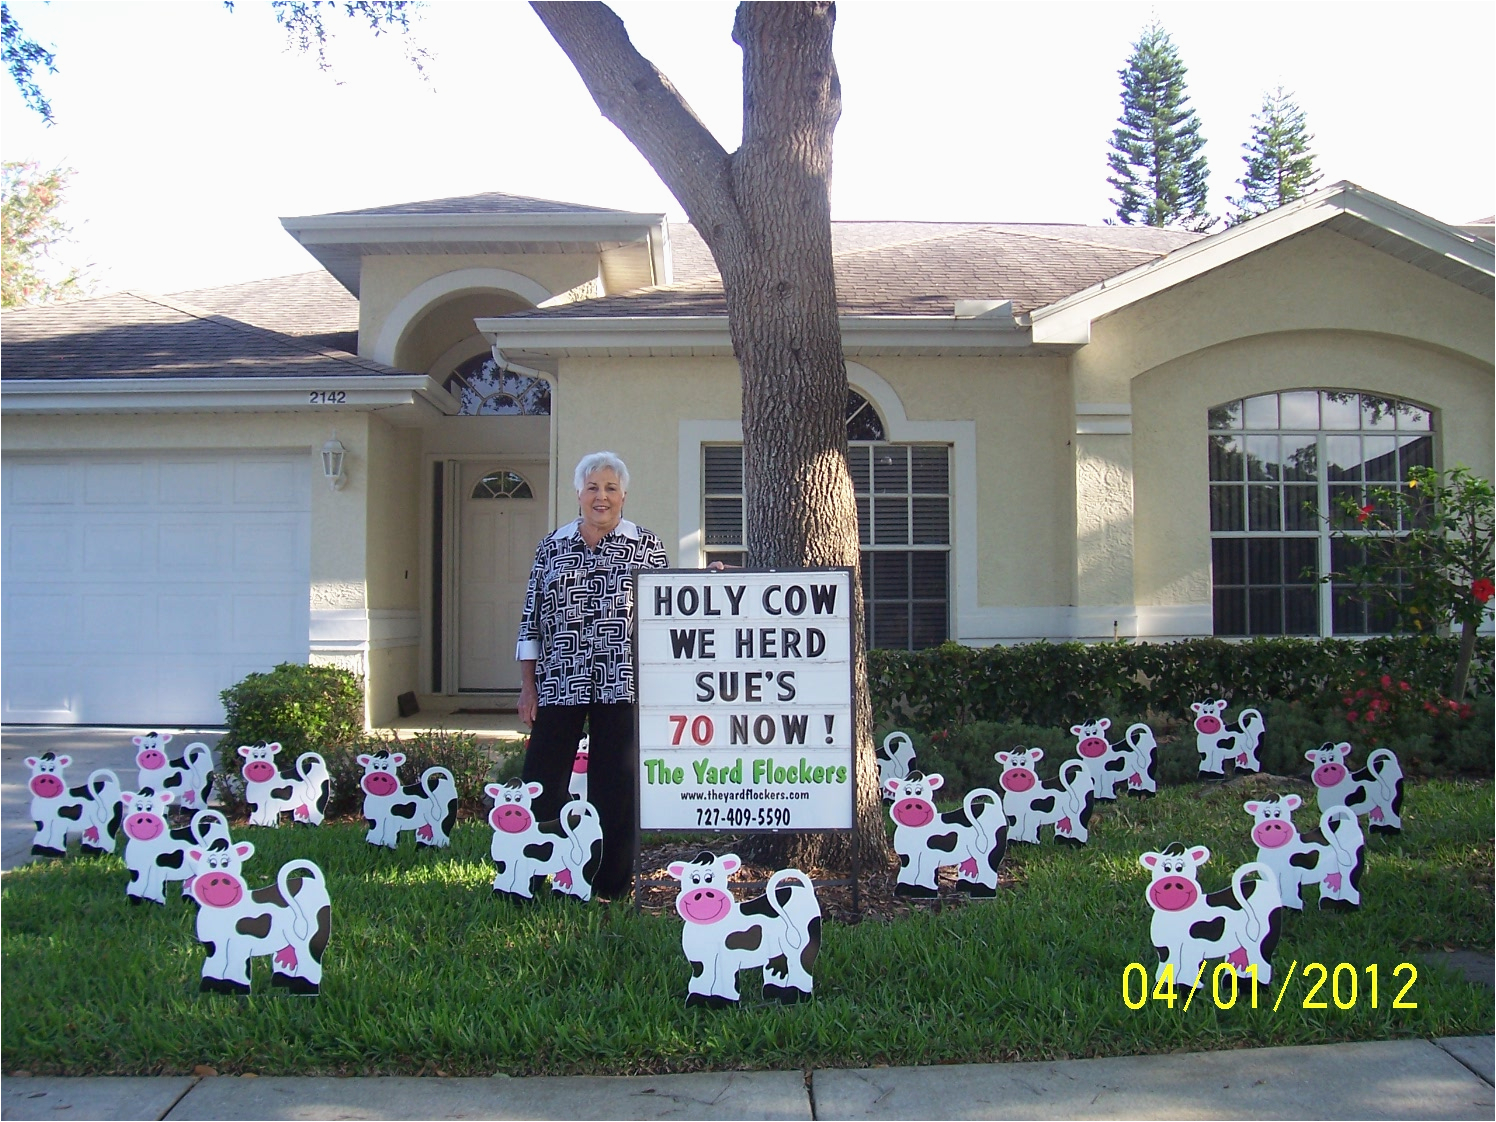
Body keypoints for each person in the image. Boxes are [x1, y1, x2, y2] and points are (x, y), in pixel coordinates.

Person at [515, 451, 668, 899]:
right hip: (560, 681)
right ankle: (532, 875)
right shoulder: (552, 546)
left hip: (622, 682)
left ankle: (608, 884)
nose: (601, 497)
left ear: (624, 495)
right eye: (593, 488)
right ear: (578, 493)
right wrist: (528, 687)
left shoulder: (645, 545)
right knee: (541, 780)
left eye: (611, 488)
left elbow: (667, 611)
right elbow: (531, 621)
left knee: (614, 787)